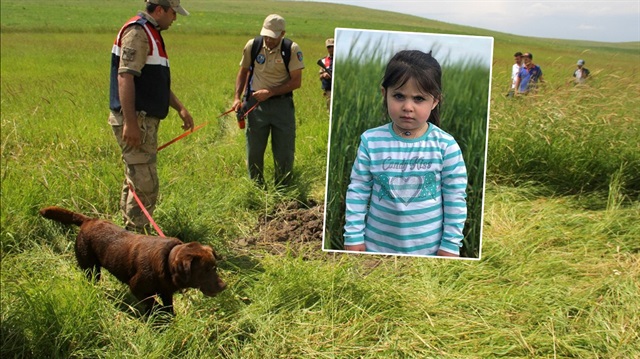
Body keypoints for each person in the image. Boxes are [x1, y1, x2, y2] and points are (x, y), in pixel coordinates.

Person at [343, 50, 468, 257]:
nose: (407, 107)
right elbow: (358, 189)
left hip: (428, 252)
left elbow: (455, 198)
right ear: (385, 94)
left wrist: (450, 245)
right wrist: (353, 237)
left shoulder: (446, 146)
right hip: (376, 249)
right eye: (399, 96)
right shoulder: (371, 141)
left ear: (435, 101)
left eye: (419, 99)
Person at [108, 0, 194, 232]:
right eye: (173, 13)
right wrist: (131, 123)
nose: (174, 18)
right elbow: (125, 77)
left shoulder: (152, 33)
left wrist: (180, 107)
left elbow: (155, 83)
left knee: (136, 178)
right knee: (145, 183)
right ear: (160, 10)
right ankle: (138, 239)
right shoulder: (138, 32)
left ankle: (129, 235)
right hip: (137, 120)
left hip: (144, 121)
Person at [232, 14, 305, 187]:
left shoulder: (292, 49)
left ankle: (283, 187)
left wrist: (270, 92)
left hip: (282, 106)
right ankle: (256, 187)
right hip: (256, 105)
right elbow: (243, 72)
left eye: (273, 36)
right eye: (266, 34)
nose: (268, 39)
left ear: (282, 34)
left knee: (284, 150)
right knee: (254, 150)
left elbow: (296, 82)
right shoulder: (253, 45)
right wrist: (237, 98)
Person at [319, 38, 334, 108]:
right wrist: (324, 75)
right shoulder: (324, 60)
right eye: (329, 47)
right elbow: (320, 77)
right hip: (328, 89)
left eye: (333, 46)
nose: (331, 48)